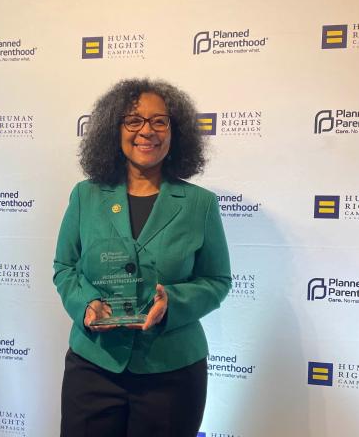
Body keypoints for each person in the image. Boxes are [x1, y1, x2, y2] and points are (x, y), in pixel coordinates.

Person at [53, 78, 231, 437]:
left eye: (159, 121)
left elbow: (217, 281)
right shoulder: (85, 195)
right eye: (133, 120)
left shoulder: (200, 204)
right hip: (95, 365)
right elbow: (65, 267)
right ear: (114, 129)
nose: (146, 131)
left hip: (172, 371)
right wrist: (86, 304)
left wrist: (173, 303)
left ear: (175, 131)